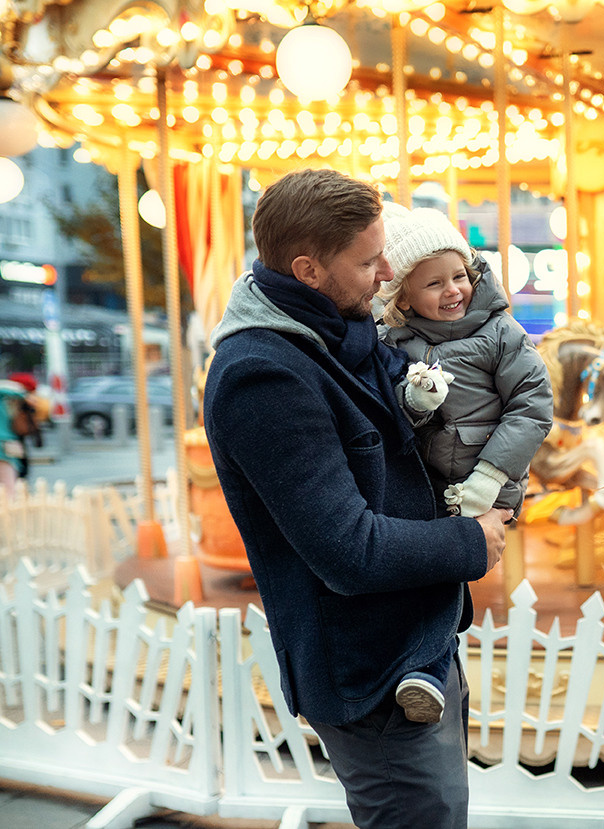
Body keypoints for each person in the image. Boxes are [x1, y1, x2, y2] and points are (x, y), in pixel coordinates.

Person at [203, 168, 510, 829]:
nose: (386, 274)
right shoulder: (262, 375)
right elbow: (349, 550)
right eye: (369, 262)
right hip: (370, 669)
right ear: (309, 270)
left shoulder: (343, 329)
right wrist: (472, 540)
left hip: (421, 639)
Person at [373, 202, 553, 724]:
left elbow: (532, 404)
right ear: (404, 295)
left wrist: (490, 476)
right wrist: (415, 402)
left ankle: (427, 670)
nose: (453, 290)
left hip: (492, 478)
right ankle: (425, 670)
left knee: (447, 568)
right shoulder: (395, 342)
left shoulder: (500, 332)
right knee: (431, 570)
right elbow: (393, 414)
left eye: (459, 276)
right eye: (434, 284)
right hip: (429, 481)